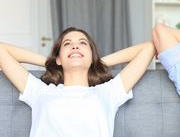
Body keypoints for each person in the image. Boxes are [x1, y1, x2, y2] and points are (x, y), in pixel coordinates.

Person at [0, 27, 155, 137]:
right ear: (59, 57)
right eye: (67, 44)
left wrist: (97, 62)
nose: (75, 46)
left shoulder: (108, 92)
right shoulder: (40, 91)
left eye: (82, 43)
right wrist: (50, 62)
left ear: (92, 55)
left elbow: (147, 49)